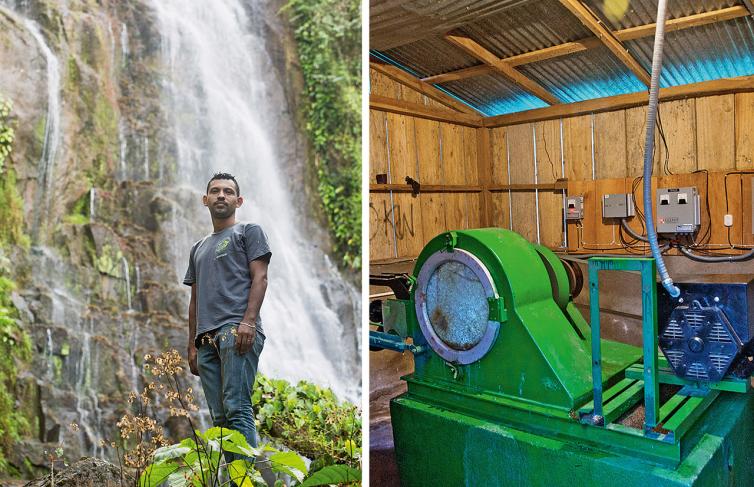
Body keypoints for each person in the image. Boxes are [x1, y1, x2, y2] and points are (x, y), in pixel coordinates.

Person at [183, 172, 271, 456]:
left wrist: (248, 322)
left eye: (228, 191)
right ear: (205, 200)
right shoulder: (198, 248)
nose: (222, 195)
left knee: (237, 408)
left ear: (239, 200)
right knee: (219, 419)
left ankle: (246, 480)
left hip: (236, 330)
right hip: (206, 339)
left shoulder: (248, 231)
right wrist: (192, 345)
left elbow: (261, 278)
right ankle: (235, 477)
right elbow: (195, 299)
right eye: (216, 191)